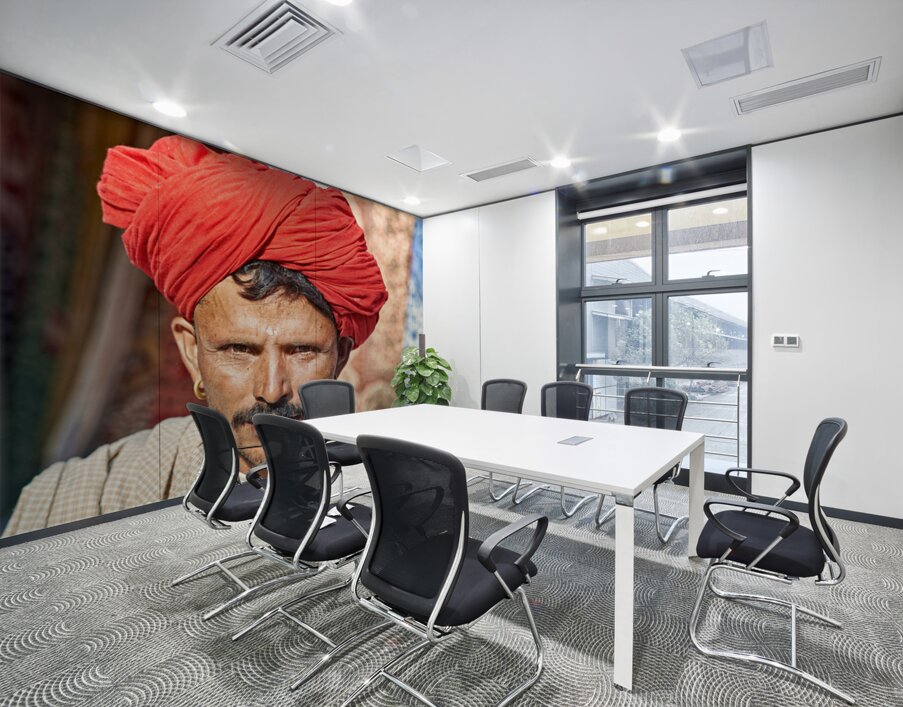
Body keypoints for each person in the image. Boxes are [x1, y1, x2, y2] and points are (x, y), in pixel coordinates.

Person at [2, 135, 388, 537]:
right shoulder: (73, 495)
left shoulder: (383, 499)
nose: (272, 390)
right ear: (191, 352)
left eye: (302, 351)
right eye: (239, 349)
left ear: (340, 357)